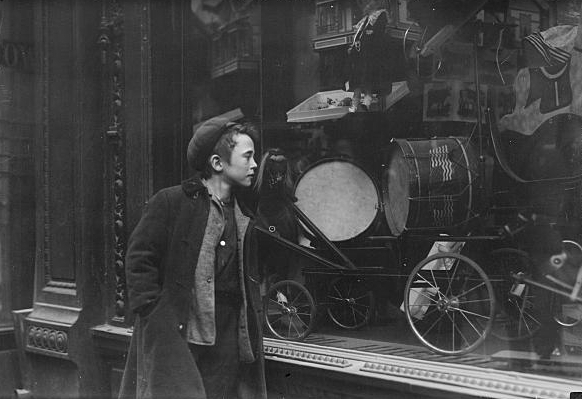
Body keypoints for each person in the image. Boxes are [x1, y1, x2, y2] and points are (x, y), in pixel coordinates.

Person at [118, 116, 267, 399]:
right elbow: (138, 261)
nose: (255, 164)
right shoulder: (171, 202)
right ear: (217, 164)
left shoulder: (245, 214)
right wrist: (157, 314)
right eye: (247, 157)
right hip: (179, 335)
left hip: (227, 337)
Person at [345, 0, 392, 112]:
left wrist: (369, 35)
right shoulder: (366, 19)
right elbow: (360, 35)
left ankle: (367, 100)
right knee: (357, 79)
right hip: (362, 53)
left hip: (372, 53)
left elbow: (378, 33)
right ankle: (355, 102)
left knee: (367, 77)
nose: (364, 5)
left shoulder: (381, 14)